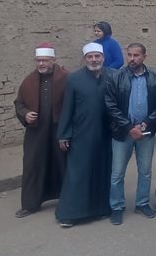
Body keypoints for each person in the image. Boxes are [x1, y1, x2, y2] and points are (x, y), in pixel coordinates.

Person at [104, 43, 156, 225]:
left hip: (146, 132)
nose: (132, 59)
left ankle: (142, 203)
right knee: (117, 173)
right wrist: (129, 127)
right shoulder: (116, 77)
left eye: (136, 55)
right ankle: (117, 206)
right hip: (122, 133)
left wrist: (146, 123)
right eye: (129, 55)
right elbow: (110, 105)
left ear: (144, 56)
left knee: (145, 171)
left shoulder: (155, 77)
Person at [55, 43, 113, 228]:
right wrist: (64, 134)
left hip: (106, 134)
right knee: (78, 173)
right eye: (90, 57)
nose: (94, 60)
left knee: (102, 171)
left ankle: (100, 209)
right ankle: (69, 214)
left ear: (103, 58)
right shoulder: (74, 79)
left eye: (97, 56)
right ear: (84, 59)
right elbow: (67, 108)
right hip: (82, 134)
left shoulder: (113, 75)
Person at [13, 43, 68, 218]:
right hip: (36, 133)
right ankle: (30, 204)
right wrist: (25, 114)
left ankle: (67, 200)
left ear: (53, 60)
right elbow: (19, 103)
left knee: (62, 164)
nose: (41, 64)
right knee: (33, 165)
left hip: (59, 130)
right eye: (38, 60)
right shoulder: (28, 80)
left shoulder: (66, 78)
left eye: (44, 60)